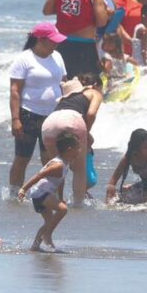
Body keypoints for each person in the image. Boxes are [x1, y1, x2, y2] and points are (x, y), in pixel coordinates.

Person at [8, 23, 67, 192]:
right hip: (28, 114)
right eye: (53, 40)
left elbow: (64, 84)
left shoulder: (57, 57)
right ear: (41, 40)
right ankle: (14, 194)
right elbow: (15, 91)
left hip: (53, 115)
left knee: (51, 159)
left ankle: (50, 193)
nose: (57, 44)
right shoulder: (24, 59)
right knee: (22, 157)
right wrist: (15, 119)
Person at [40, 74, 103, 205]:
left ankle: (57, 201)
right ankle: (78, 205)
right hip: (72, 119)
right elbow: (91, 114)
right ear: (95, 86)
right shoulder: (94, 92)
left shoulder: (65, 99)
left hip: (49, 122)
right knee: (80, 169)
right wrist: (86, 133)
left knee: (57, 168)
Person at [43, 0, 112, 75]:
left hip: (61, 42)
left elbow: (47, 11)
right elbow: (101, 22)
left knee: (63, 79)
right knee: (88, 81)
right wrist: (106, 11)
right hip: (84, 45)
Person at [19, 132, 81, 252]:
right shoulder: (58, 165)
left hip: (44, 193)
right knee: (63, 210)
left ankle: (35, 246)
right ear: (69, 150)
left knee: (49, 222)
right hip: (41, 193)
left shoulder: (65, 163)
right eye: (77, 148)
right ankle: (47, 235)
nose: (80, 150)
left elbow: (61, 181)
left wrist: (60, 198)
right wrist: (23, 189)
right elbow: (39, 175)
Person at [105, 129, 147, 206]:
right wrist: (108, 199)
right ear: (137, 148)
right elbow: (113, 180)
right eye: (146, 148)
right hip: (146, 184)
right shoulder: (129, 157)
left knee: (130, 201)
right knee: (123, 192)